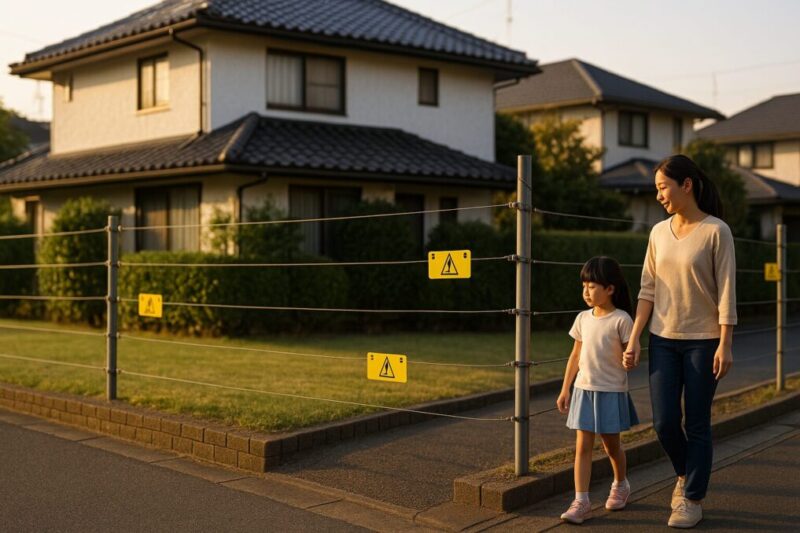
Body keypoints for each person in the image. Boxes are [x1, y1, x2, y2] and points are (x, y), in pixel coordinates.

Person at [624, 154, 735, 529]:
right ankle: (685, 473)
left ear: (686, 185)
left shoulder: (717, 231)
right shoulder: (658, 233)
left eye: (663, 188)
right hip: (663, 340)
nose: (659, 196)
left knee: (698, 422)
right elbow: (647, 290)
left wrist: (725, 342)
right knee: (664, 422)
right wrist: (635, 337)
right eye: (656, 190)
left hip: (704, 342)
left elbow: (726, 294)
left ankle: (692, 498)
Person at [557, 256, 639, 524]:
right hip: (583, 390)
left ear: (610, 289)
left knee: (611, 446)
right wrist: (565, 388)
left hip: (610, 391)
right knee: (582, 447)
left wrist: (630, 359)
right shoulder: (582, 318)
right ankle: (581, 501)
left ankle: (621, 484)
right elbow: (574, 356)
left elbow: (631, 354)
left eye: (592, 286)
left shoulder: (622, 319)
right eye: (584, 287)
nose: (586, 292)